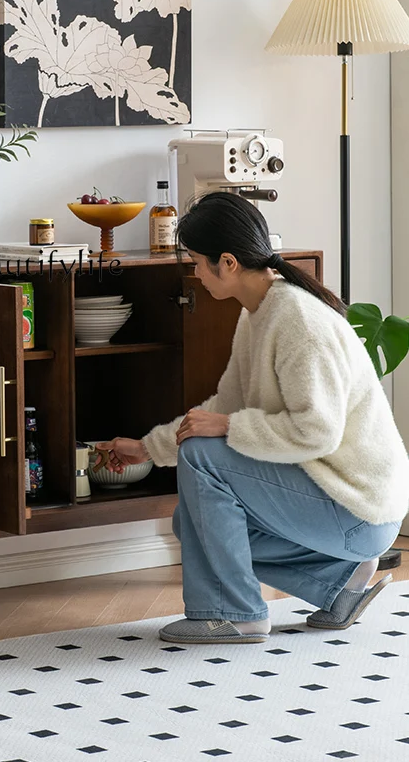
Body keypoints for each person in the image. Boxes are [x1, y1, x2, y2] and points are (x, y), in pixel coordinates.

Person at [95, 191, 409, 645]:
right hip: (335, 499)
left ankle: (234, 614)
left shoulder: (299, 320)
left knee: (204, 456)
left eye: (198, 262)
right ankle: (340, 583)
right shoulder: (261, 312)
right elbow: (225, 405)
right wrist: (147, 448)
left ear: (228, 262)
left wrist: (226, 429)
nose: (195, 273)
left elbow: (316, 431)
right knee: (192, 523)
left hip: (359, 507)